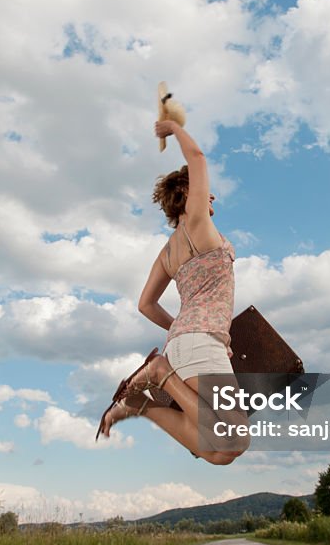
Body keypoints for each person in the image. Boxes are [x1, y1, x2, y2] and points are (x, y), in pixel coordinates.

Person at [97, 119, 248, 464]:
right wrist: (175, 129)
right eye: (205, 193)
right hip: (197, 344)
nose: (212, 198)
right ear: (189, 194)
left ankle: (141, 406)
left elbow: (145, 305)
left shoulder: (167, 252)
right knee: (233, 437)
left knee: (219, 452)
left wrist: (178, 331)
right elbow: (197, 156)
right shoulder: (198, 223)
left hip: (184, 342)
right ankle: (157, 373)